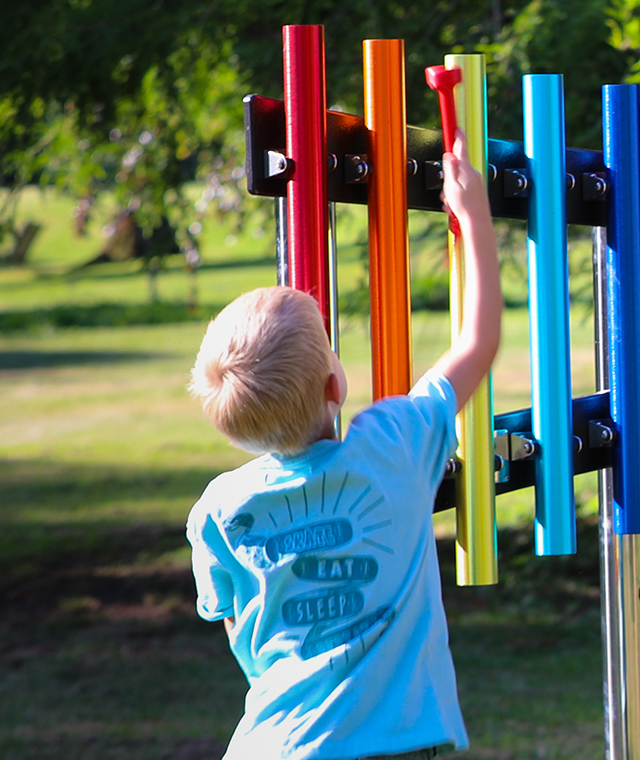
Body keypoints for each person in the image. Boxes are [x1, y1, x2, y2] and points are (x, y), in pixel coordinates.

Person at [185, 131, 501, 760]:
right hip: (393, 742)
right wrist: (474, 217)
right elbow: (478, 343)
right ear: (337, 383)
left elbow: (239, 632)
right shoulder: (394, 446)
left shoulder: (218, 510)